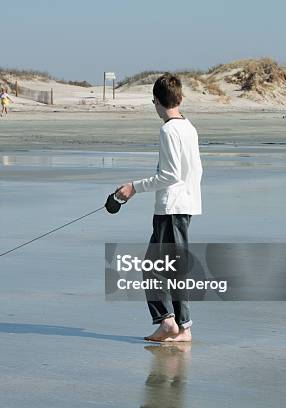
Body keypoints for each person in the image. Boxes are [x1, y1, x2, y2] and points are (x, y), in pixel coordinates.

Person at [115, 73, 202, 342]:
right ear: (180, 98)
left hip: (171, 208)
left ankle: (169, 323)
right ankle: (182, 327)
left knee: (153, 269)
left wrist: (133, 187)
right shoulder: (189, 126)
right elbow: (195, 170)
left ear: (156, 102)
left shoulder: (168, 130)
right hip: (184, 205)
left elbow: (170, 175)